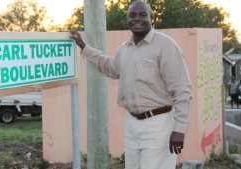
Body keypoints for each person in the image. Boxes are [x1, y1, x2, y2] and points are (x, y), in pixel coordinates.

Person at [70, 1, 192, 168]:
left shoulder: (166, 45)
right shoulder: (124, 49)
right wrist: (83, 46)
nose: (137, 19)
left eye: (142, 14)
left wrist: (180, 129)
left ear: (151, 17)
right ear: (127, 19)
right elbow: (109, 67)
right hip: (132, 124)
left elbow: (182, 89)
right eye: (132, 15)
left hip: (158, 124)